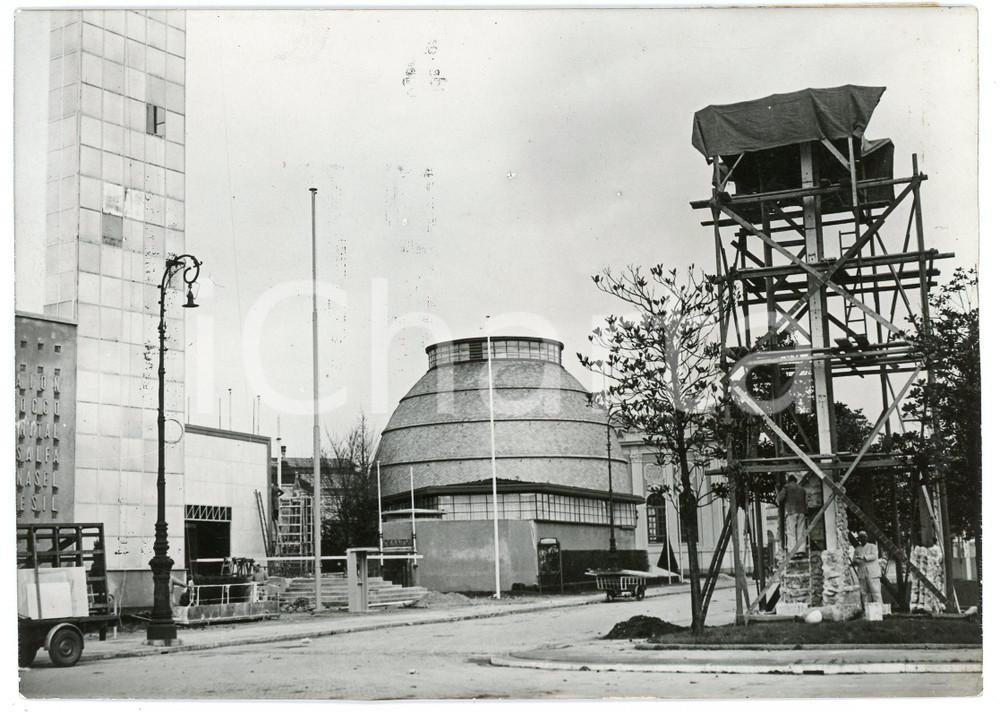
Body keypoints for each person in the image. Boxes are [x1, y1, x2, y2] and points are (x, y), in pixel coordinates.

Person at [777, 474, 807, 556]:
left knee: (791, 532)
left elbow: (780, 498)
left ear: (788, 480)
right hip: (802, 512)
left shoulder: (786, 487)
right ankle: (801, 550)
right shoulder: (801, 488)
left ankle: (793, 551)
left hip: (791, 511)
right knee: (801, 531)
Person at [853, 531, 883, 608]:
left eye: (864, 537)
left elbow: (874, 556)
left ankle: (879, 610)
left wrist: (863, 557)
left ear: (867, 537)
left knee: (876, 592)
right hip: (862, 574)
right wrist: (855, 561)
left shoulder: (872, 546)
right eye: (861, 537)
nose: (862, 539)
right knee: (864, 593)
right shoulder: (857, 549)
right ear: (858, 539)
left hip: (872, 573)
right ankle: (867, 610)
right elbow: (855, 560)